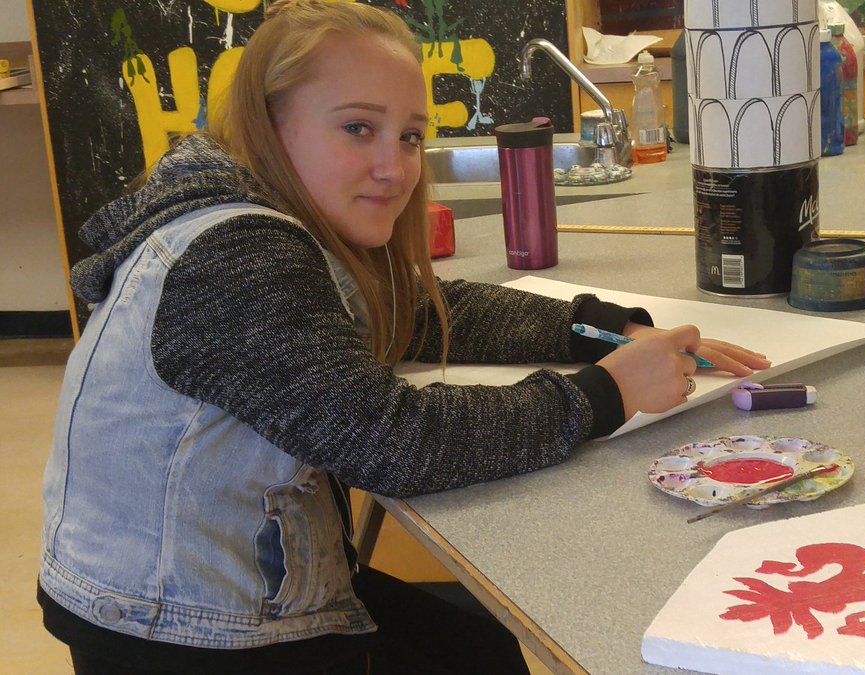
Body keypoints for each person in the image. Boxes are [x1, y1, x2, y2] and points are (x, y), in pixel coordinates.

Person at [37, 2, 770, 673]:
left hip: (213, 587)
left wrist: (599, 327)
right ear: (269, 122)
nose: (395, 167)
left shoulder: (258, 215)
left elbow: (416, 311)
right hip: (180, 629)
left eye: (411, 136)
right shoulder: (237, 254)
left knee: (476, 647)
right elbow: (393, 440)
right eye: (358, 127)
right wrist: (608, 392)